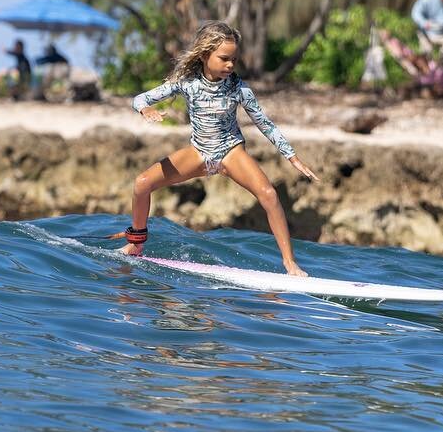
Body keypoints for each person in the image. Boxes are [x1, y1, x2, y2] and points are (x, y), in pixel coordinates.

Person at [110, 21, 319, 276]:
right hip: (198, 152)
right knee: (142, 183)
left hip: (231, 152)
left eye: (234, 59)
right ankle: (136, 243)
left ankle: (289, 263)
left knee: (269, 194)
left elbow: (265, 124)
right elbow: (139, 99)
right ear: (204, 54)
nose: (230, 65)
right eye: (224, 58)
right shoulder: (186, 82)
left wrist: (292, 157)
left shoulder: (239, 88)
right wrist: (146, 110)